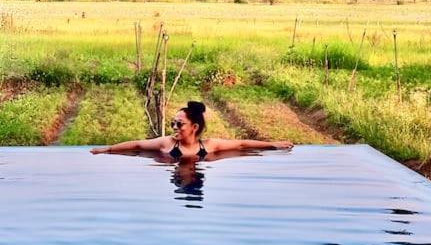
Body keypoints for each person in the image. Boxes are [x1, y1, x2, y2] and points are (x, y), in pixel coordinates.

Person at [90, 100, 293, 158]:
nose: (174, 127)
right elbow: (136, 144)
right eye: (172, 123)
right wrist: (106, 150)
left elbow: (241, 144)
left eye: (179, 124)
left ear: (194, 127)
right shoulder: (166, 144)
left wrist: (273, 145)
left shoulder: (210, 146)